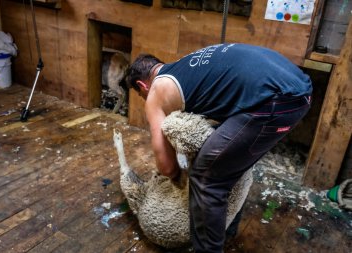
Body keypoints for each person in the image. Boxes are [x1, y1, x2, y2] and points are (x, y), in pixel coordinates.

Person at [125, 43, 312, 253]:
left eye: (141, 95)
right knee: (229, 164)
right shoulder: (185, 66)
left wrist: (178, 179)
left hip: (278, 99)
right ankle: (226, 230)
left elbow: (167, 167)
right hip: (297, 87)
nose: (145, 99)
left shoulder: (156, 92)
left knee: (206, 178)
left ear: (143, 86)